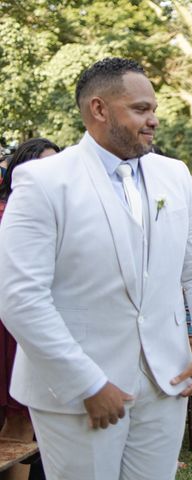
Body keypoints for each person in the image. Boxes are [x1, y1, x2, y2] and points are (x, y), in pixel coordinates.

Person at [0, 57, 192, 480]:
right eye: (140, 109)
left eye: (153, 108)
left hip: (165, 380)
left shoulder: (174, 175)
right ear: (99, 110)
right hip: (76, 391)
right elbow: (20, 297)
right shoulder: (44, 181)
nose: (153, 120)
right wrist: (86, 383)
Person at [0, 138, 60, 480]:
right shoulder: (8, 212)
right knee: (16, 418)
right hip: (10, 325)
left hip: (43, 321)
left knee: (27, 416)